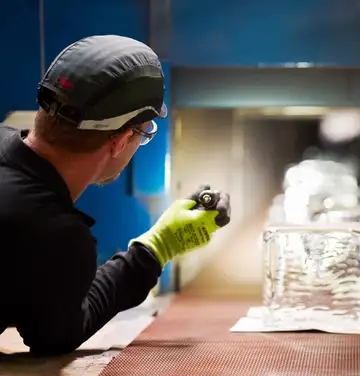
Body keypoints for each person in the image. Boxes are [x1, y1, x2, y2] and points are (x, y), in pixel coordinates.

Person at [0, 35, 231, 355]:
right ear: (121, 140)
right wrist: (158, 247)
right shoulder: (55, 234)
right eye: (145, 133)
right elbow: (54, 335)